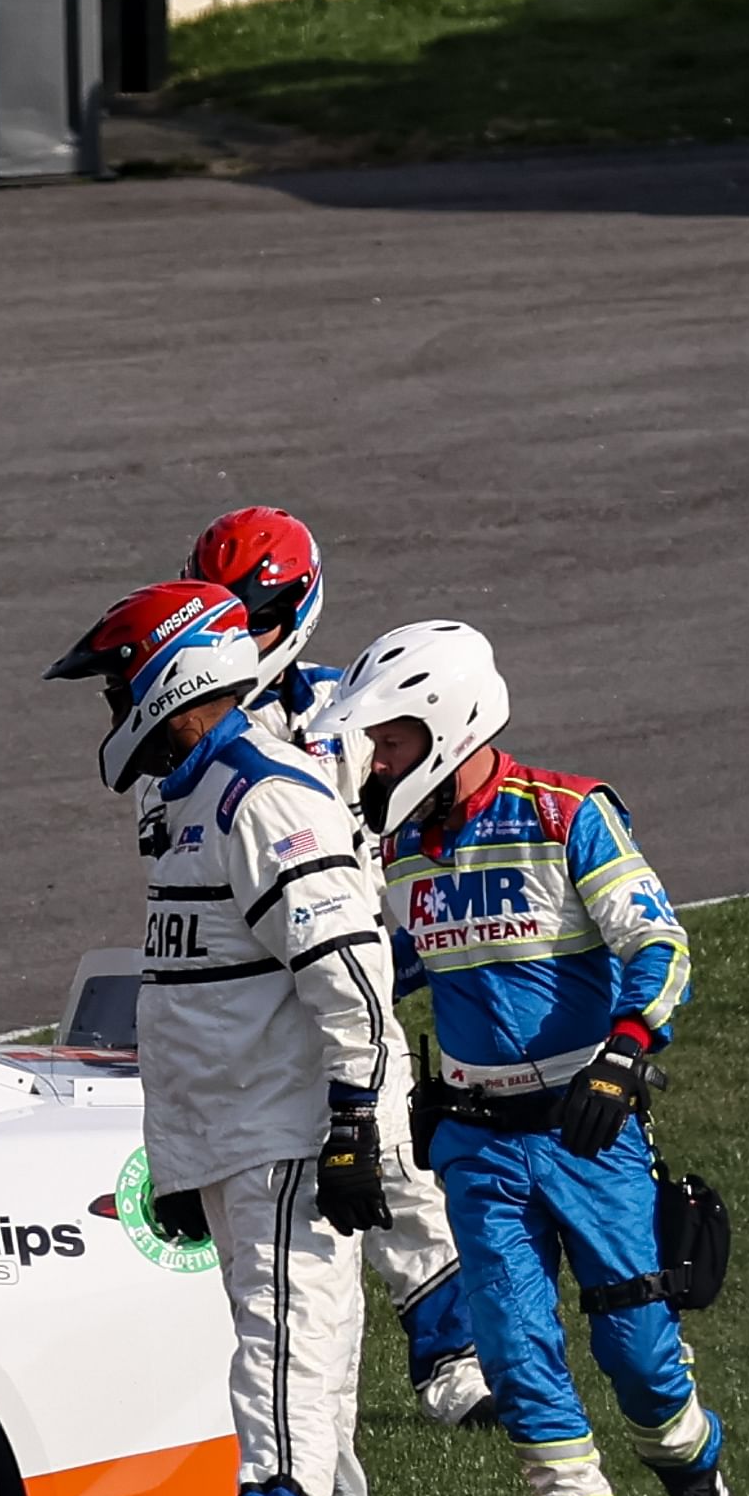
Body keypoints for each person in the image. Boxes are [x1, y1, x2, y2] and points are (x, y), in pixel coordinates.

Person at [314, 622, 738, 1496]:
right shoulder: (397, 853)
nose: (376, 762)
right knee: (511, 1341)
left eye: (390, 740)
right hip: (474, 1142)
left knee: (638, 1348)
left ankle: (691, 1465)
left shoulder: (569, 813)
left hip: (589, 1131)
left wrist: (625, 1058)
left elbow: (658, 944)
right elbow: (380, 972)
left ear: (449, 723)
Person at [49, 580, 404, 1496]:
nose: (110, 701)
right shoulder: (191, 801)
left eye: (118, 678)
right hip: (233, 1145)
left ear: (175, 675)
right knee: (308, 1376)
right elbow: (190, 1007)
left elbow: (351, 973)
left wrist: (355, 1124)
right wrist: (180, 1164)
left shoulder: (262, 795)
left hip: (289, 1140)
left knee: (284, 1371)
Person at [183, 513, 496, 1419]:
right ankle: (287, 1368)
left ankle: (455, 1360)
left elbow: (431, 785)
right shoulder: (185, 727)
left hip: (348, 953)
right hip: (248, 982)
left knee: (393, 1153)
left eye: (254, 613)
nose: (239, 633)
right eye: (223, 611)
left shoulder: (345, 707)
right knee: (273, 1172)